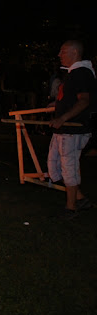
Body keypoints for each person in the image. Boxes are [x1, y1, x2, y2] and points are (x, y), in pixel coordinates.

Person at [47, 40, 96, 217]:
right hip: (63, 129)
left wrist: (63, 117)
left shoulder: (82, 73)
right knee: (54, 168)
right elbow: (71, 98)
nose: (60, 55)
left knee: (69, 167)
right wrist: (57, 104)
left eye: (63, 51)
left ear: (75, 52)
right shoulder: (73, 73)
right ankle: (81, 199)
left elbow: (84, 100)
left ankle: (71, 207)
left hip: (74, 129)